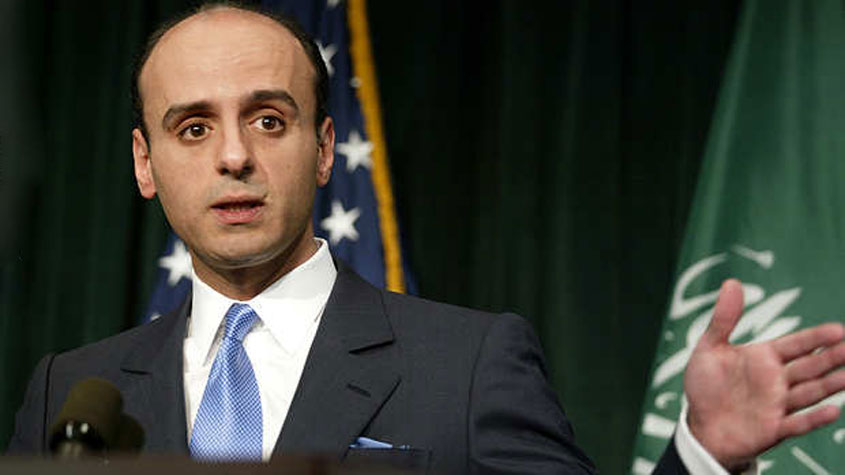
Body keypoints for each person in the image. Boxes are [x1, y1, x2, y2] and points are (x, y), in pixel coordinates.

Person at [8, 4, 845, 474]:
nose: (234, 156)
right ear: (144, 162)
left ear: (325, 148)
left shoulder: (471, 364)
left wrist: (698, 455)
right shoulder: (70, 393)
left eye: (267, 119)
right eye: (193, 128)